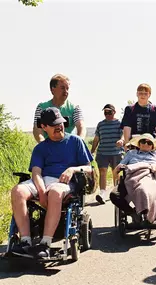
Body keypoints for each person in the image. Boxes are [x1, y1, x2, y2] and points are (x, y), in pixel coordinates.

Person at [11, 107, 93, 259]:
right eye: (53, 124)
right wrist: (42, 194)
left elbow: (89, 169)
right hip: (43, 180)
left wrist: (72, 169)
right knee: (17, 191)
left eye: (60, 123)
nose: (58, 127)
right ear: (44, 127)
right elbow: (36, 172)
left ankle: (45, 244)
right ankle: (25, 241)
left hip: (65, 183)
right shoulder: (41, 148)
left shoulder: (76, 141)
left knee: (55, 192)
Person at [110, 133, 156, 223]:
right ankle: (132, 212)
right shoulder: (131, 153)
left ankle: (152, 214)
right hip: (132, 176)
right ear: (139, 144)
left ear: (152, 146)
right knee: (114, 195)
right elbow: (117, 169)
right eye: (143, 141)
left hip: (151, 177)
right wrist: (118, 174)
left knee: (144, 189)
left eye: (149, 143)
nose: (146, 144)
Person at [33, 74, 86, 143]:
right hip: (49, 148)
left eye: (67, 88)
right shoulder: (41, 108)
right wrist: (43, 144)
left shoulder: (74, 108)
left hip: (69, 147)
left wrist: (78, 143)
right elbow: (37, 129)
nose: (66, 91)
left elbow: (81, 127)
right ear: (52, 89)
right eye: (62, 88)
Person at [90, 104, 123, 205]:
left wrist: (121, 140)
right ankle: (103, 193)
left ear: (114, 112)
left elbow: (123, 135)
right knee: (102, 172)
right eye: (105, 112)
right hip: (102, 152)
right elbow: (96, 139)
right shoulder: (100, 124)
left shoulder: (119, 123)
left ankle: (115, 192)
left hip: (116, 152)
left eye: (109, 112)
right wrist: (91, 151)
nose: (107, 114)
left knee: (115, 173)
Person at [119, 83, 156, 147]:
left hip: (150, 144)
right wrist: (127, 144)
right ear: (137, 94)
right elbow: (126, 128)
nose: (143, 95)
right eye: (140, 93)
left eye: (145, 93)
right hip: (134, 143)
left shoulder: (155, 109)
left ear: (149, 95)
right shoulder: (130, 109)